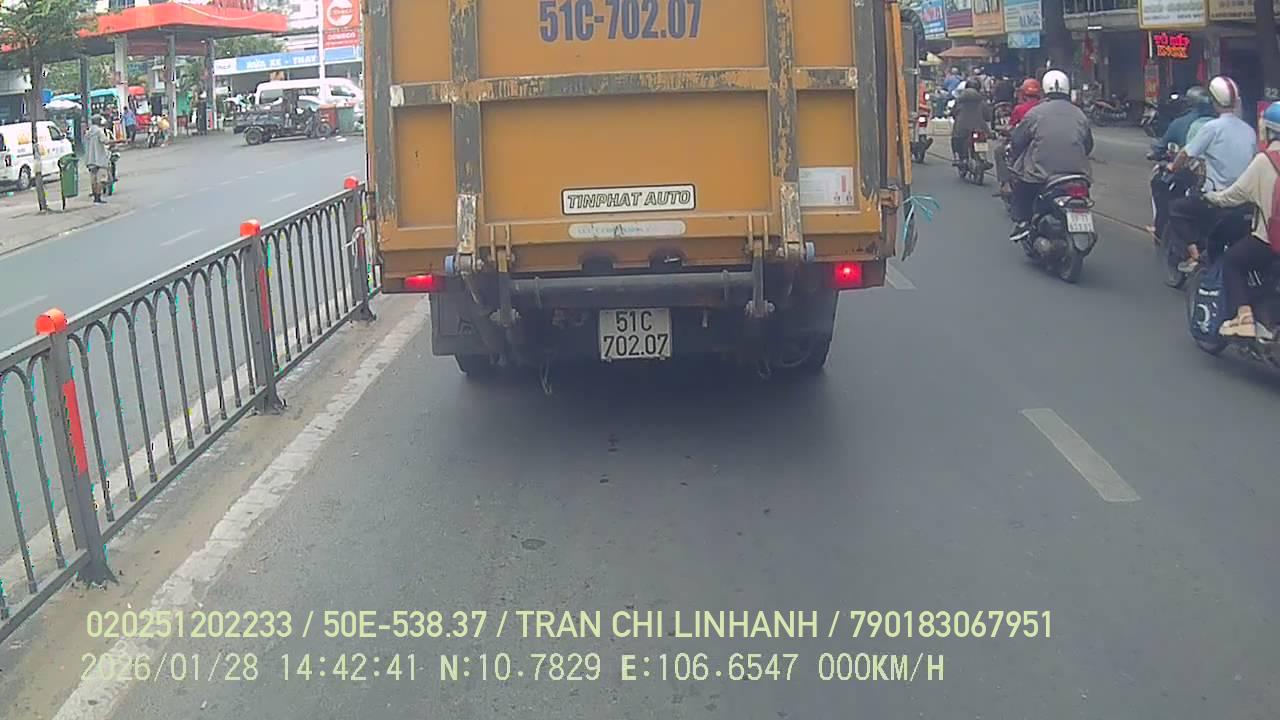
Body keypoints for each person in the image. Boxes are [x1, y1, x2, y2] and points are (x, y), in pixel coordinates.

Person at [1200, 101, 1280, 339]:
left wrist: (1211, 197)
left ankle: (1243, 317)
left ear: (1267, 130)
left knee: (1232, 262)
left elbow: (1234, 195)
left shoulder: (1265, 161)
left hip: (1269, 241)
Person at [1164, 76, 1256, 271]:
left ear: (1214, 101)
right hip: (1244, 201)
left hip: (1216, 199)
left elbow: (1186, 153)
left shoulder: (1212, 128)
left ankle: (1195, 256)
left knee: (1176, 208)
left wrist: (1173, 167)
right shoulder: (1249, 131)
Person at [1007, 70, 1094, 242]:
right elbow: (1088, 145)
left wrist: (1015, 157)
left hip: (1042, 173)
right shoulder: (1080, 114)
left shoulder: (1034, 113)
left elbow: (1018, 140)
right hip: (1078, 174)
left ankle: (1023, 223)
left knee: (1022, 186)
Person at [995, 79, 1043, 196]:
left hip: (1023, 142)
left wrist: (1004, 130)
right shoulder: (1044, 108)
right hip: (1041, 143)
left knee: (999, 151)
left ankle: (1005, 184)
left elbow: (1011, 128)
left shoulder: (1019, 109)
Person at [950, 78, 991, 164]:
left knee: (955, 139)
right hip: (979, 128)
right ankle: (983, 158)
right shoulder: (982, 101)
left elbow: (953, 113)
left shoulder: (959, 101)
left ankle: (958, 158)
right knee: (982, 139)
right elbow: (987, 116)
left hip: (961, 129)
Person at [84, 115, 113, 204]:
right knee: (101, 179)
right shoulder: (99, 131)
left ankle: (95, 197)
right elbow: (106, 141)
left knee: (93, 179)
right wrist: (120, 141)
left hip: (90, 159)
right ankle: (98, 197)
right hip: (100, 159)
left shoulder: (88, 132)